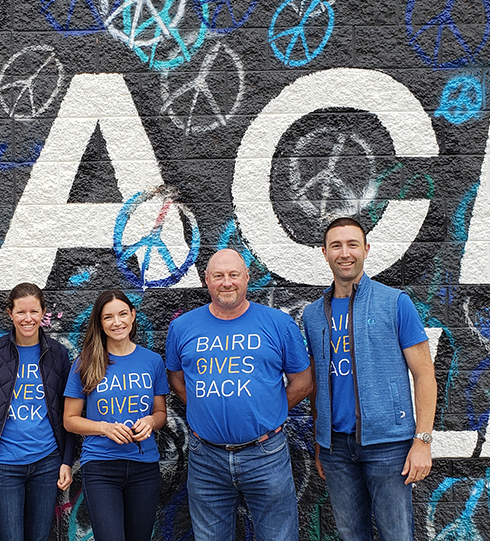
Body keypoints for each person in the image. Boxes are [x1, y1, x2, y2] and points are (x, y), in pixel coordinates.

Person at [302, 217, 436, 541]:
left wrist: (423, 441)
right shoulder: (312, 314)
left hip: (388, 446)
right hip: (335, 448)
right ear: (324, 253)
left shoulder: (395, 303)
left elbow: (424, 374)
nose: (344, 253)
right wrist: (322, 443)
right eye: (336, 245)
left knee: (397, 535)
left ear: (366, 249)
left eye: (352, 244)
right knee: (351, 535)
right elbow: (318, 383)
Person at [165, 249, 314, 541]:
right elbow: (177, 379)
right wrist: (205, 410)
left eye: (234, 275)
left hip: (266, 454)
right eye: (218, 276)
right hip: (205, 457)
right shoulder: (182, 328)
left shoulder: (278, 324)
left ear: (247, 278)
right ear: (206, 280)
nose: (226, 282)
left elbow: (303, 381)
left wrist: (267, 409)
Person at [0, 283, 76, 541]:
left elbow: (68, 411)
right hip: (4, 463)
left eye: (34, 311)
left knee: (40, 537)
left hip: (47, 462)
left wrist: (66, 461)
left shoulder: (58, 354)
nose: (28, 319)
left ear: (43, 314)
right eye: (21, 312)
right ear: (10, 313)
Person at [63, 290, 168, 541]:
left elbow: (161, 412)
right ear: (100, 323)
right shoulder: (85, 362)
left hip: (144, 468)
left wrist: (151, 421)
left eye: (122, 314)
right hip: (101, 467)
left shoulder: (152, 361)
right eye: (108, 317)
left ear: (133, 316)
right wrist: (105, 428)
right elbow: (69, 419)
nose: (117, 322)